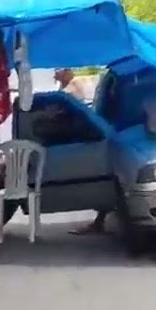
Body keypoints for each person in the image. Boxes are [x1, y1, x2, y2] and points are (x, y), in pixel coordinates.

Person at [53, 69, 110, 235]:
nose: (55, 75)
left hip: (87, 140)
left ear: (68, 72)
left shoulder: (73, 87)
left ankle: (100, 220)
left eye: (59, 71)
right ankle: (100, 220)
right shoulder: (67, 89)